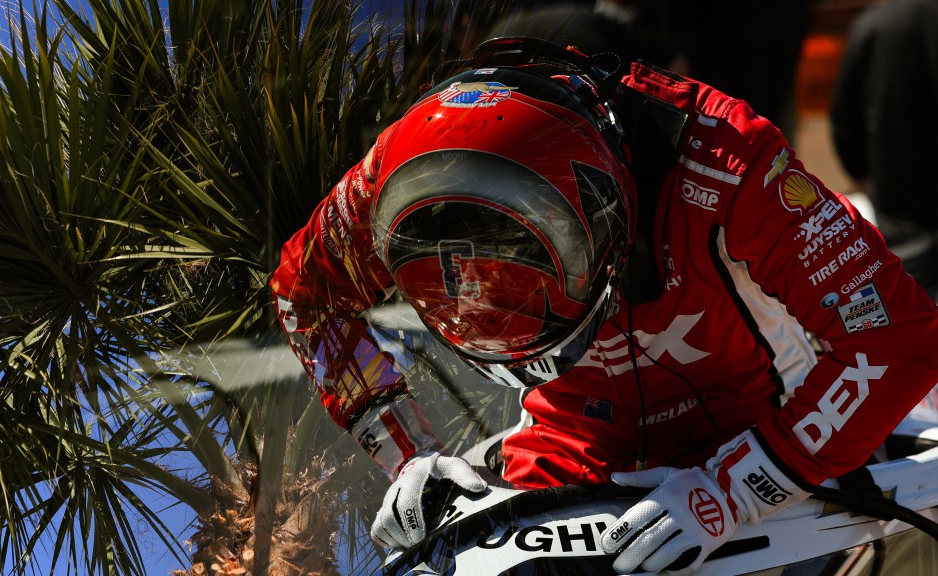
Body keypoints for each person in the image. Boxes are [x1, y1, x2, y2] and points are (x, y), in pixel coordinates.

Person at [270, 37, 938, 574]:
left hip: (759, 429)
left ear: (609, 220)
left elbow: (897, 337)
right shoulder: (391, 171)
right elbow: (306, 296)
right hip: (571, 448)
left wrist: (738, 488)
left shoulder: (727, 158)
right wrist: (409, 454)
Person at [830, 0, 938, 299]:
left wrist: (864, 175)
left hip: (898, 207)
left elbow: (844, 120)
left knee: (912, 317)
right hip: (900, 208)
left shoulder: (873, 26)